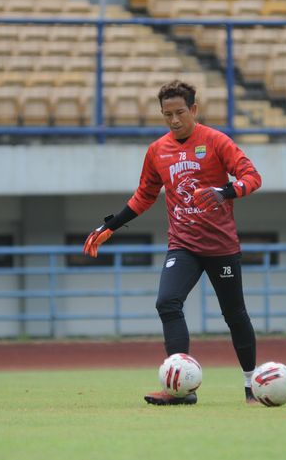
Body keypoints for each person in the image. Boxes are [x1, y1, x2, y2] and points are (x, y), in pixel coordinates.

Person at [82, 80, 262, 406]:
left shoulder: (216, 141)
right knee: (167, 302)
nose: (174, 120)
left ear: (193, 110)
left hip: (221, 246)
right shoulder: (157, 150)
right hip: (183, 244)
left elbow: (252, 177)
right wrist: (109, 226)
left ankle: (252, 385)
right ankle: (181, 388)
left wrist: (224, 192)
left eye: (180, 112)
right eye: (168, 114)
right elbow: (144, 196)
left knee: (234, 315)